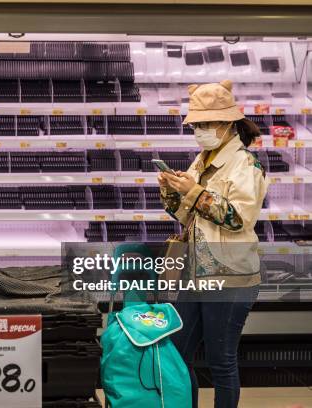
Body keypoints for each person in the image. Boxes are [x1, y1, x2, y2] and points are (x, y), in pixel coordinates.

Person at [158, 79, 268, 408]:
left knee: (221, 361)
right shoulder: (203, 158)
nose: (198, 131)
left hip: (230, 277)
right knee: (177, 354)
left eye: (204, 125)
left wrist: (192, 191)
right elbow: (188, 216)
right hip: (194, 274)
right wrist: (170, 189)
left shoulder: (247, 166)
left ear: (225, 124)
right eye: (196, 125)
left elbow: (237, 218)